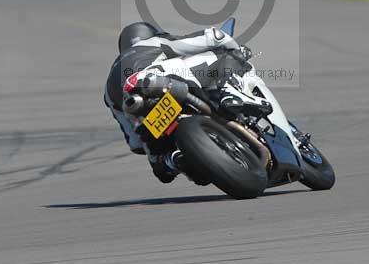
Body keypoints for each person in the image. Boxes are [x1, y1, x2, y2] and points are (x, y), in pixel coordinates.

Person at [104, 22, 257, 183]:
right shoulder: (152, 42)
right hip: (163, 81)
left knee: (160, 168)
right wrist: (235, 48)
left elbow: (134, 143)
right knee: (228, 56)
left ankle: (174, 161)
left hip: (141, 112)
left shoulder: (108, 90)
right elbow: (214, 36)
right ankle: (230, 94)